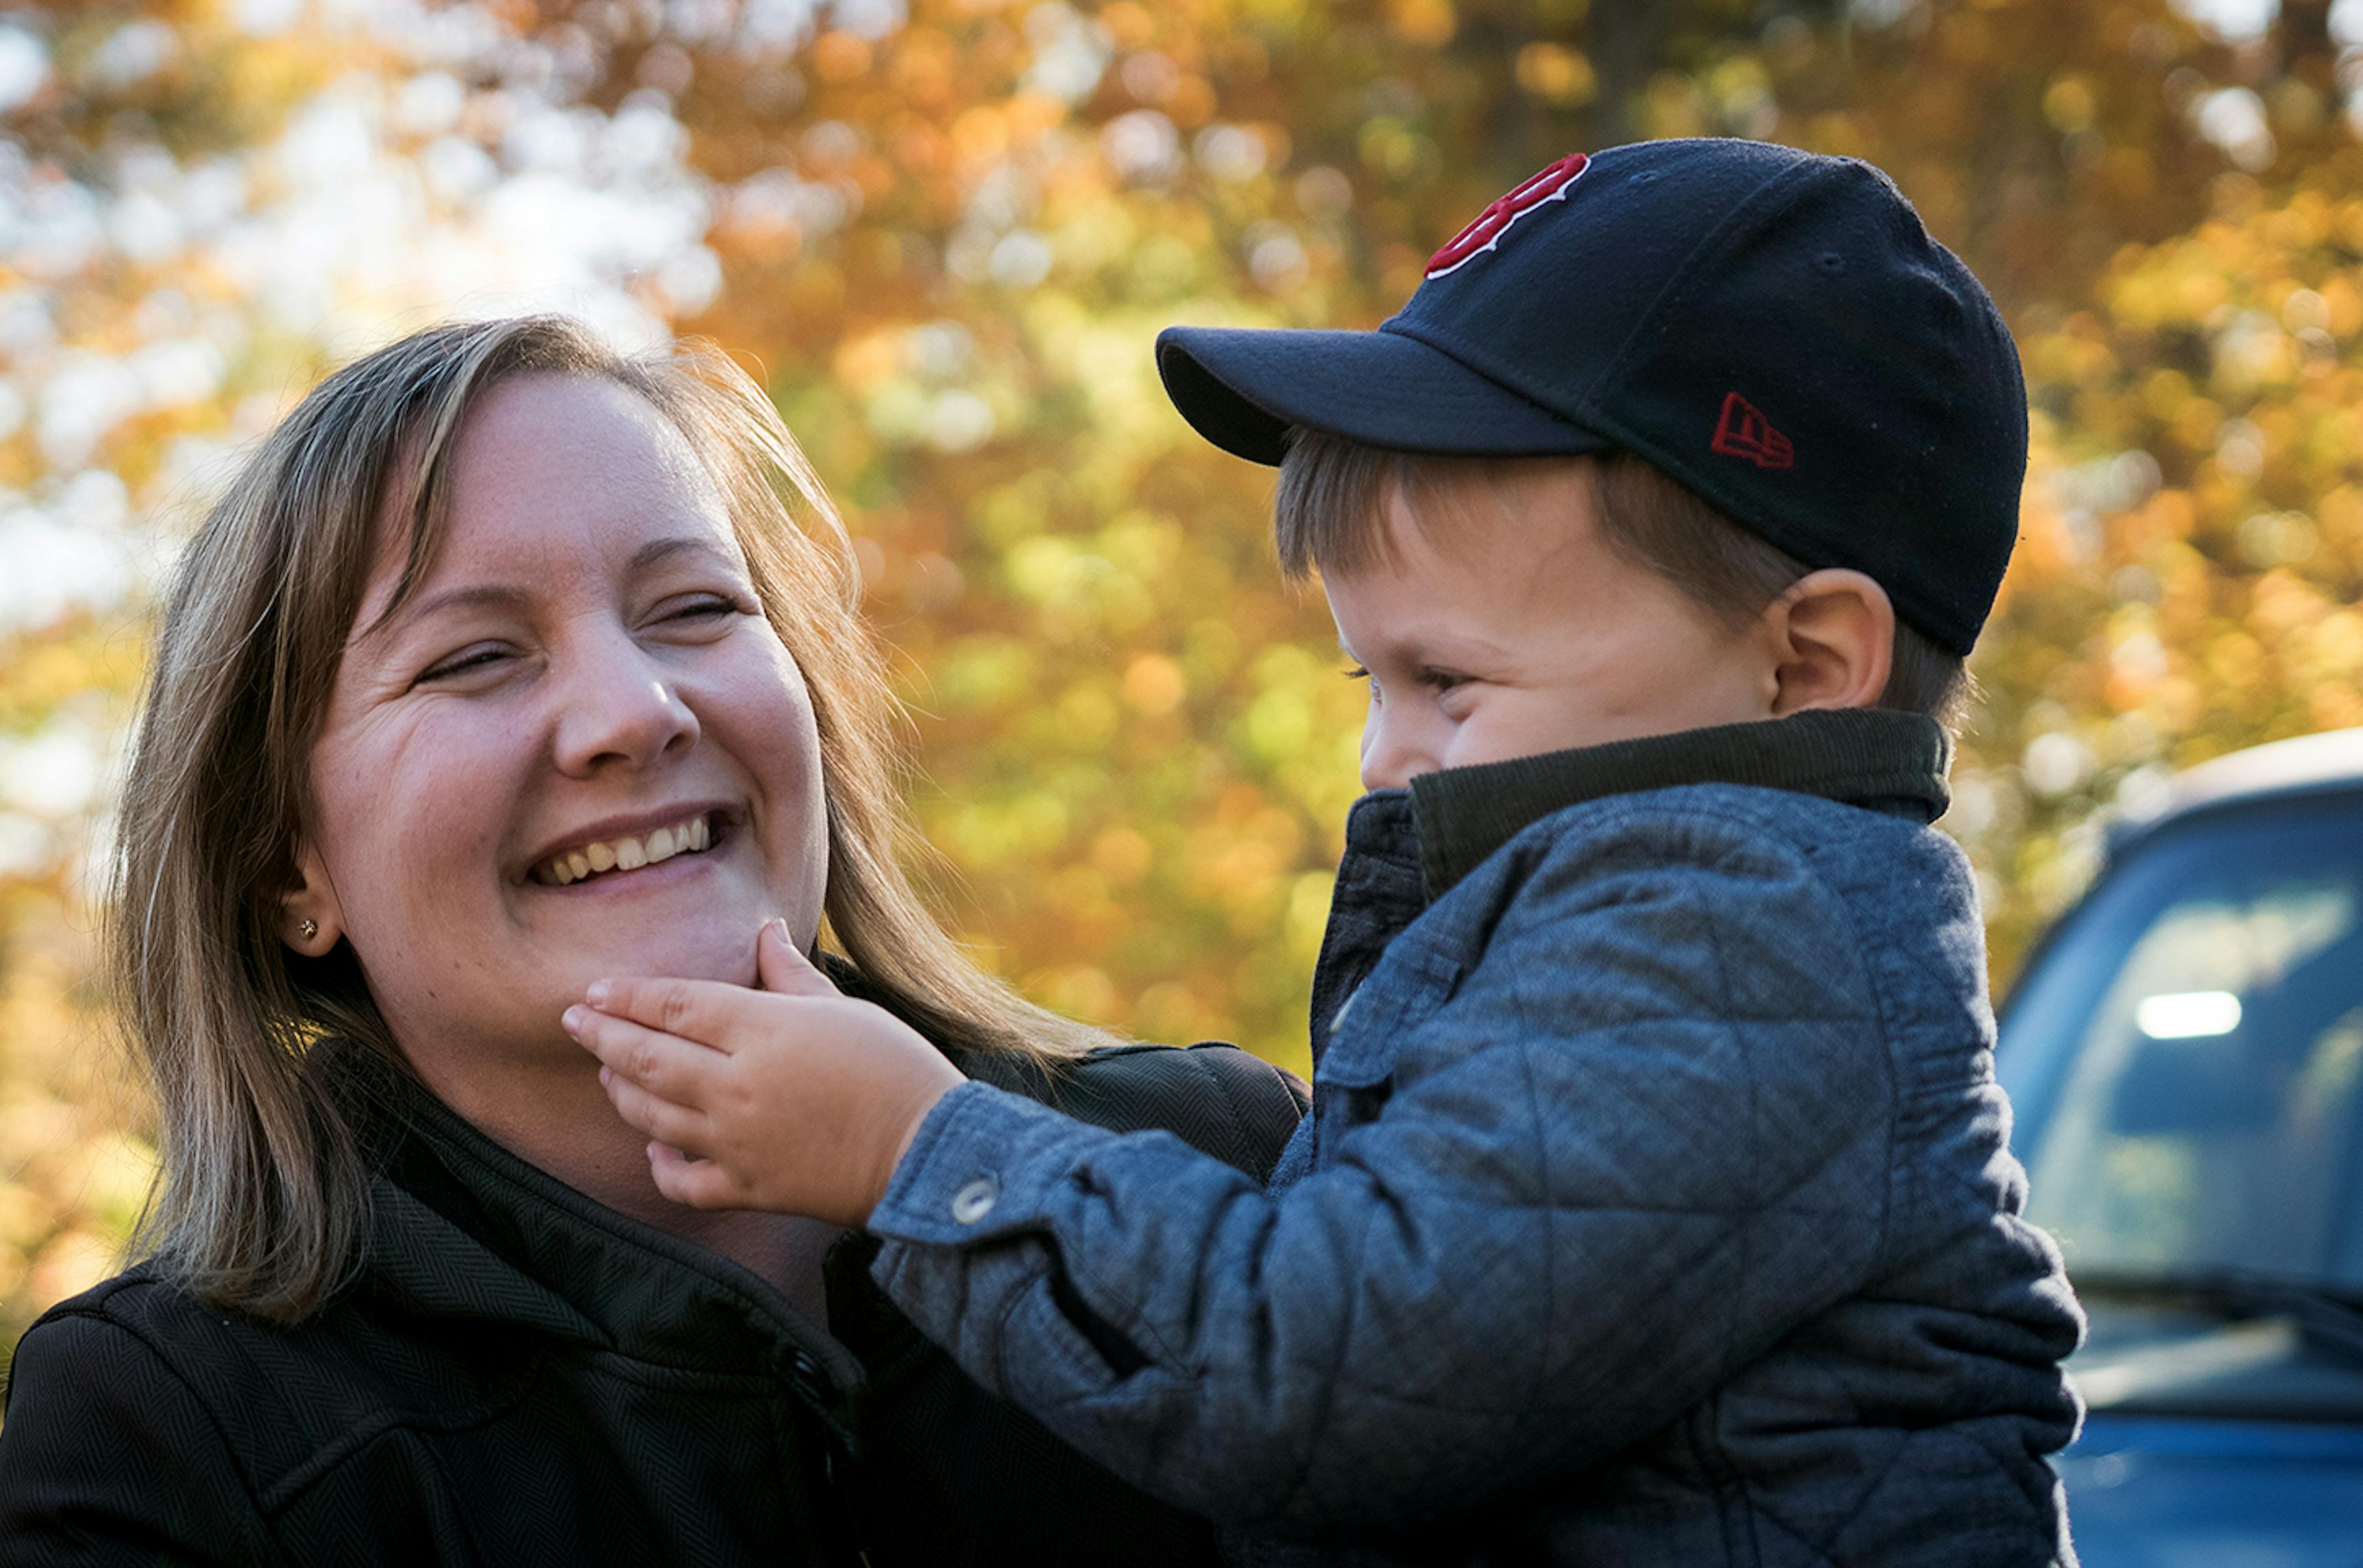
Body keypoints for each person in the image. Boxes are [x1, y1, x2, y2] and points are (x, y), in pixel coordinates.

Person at [563, 139, 2088, 1565]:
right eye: (1374, 681)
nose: (1384, 754)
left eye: (1449, 682)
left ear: (1805, 665)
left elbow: (1335, 1366)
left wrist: (918, 1148)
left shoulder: (1738, 936)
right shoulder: (1651, 918)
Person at [0, 315, 1308, 1567]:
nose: (634, 708)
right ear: (285, 864)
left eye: (693, 608)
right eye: (474, 656)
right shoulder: (172, 1431)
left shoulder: (1234, 1166)